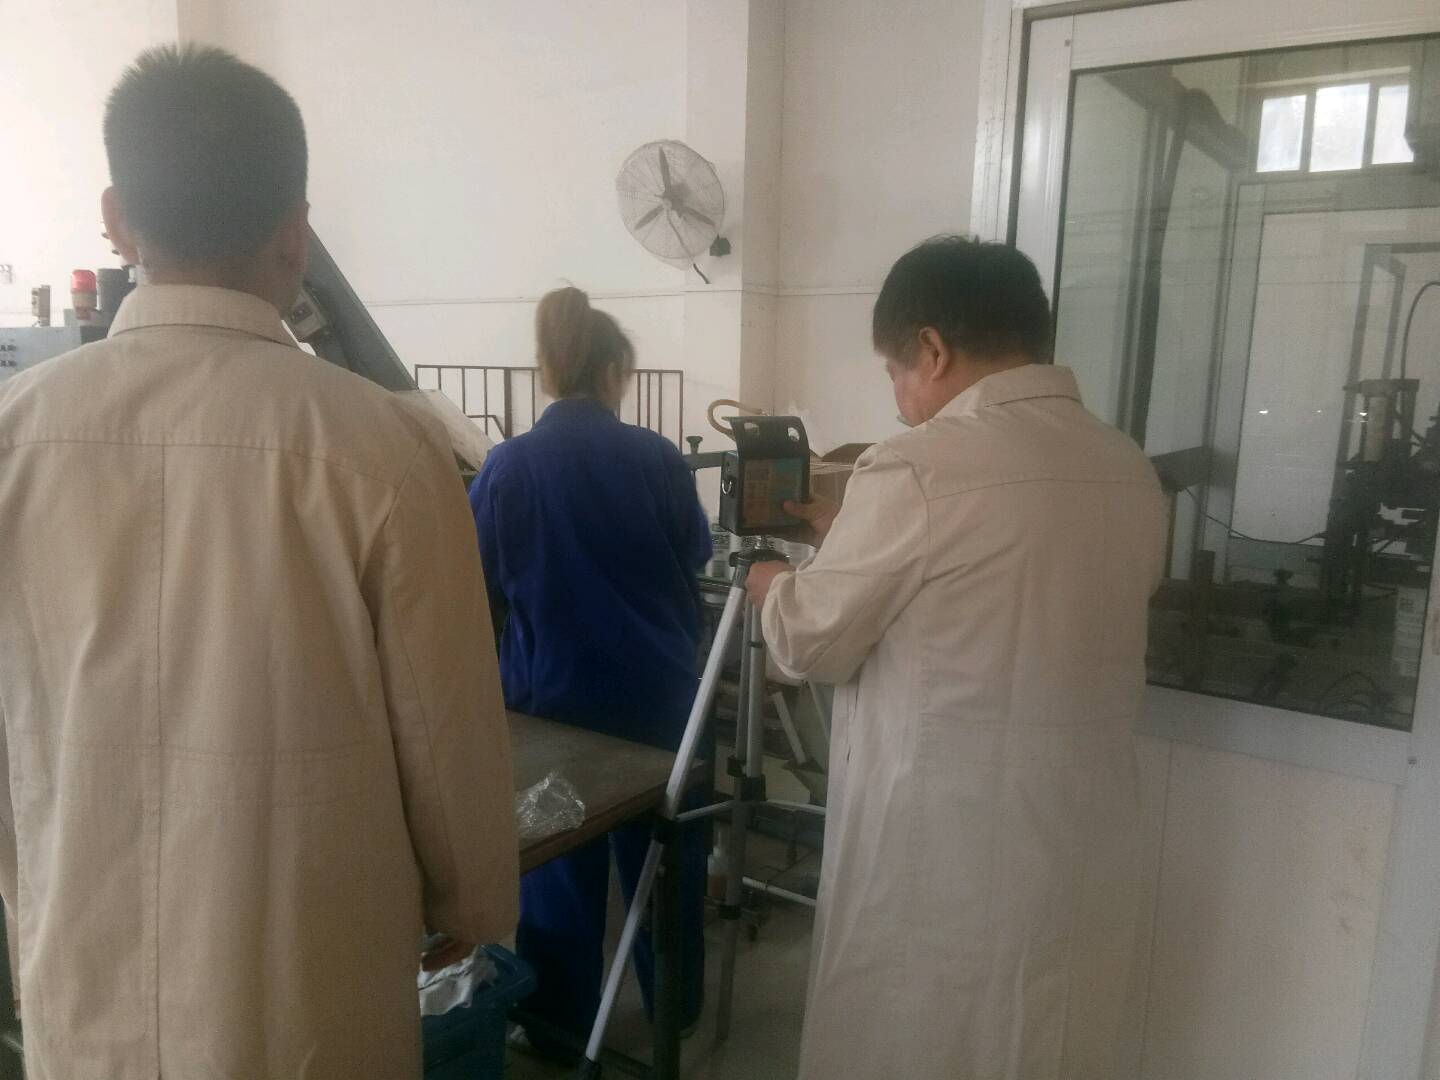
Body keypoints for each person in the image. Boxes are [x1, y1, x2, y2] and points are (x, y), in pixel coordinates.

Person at [0, 45, 518, 1079]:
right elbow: (446, 730)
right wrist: (472, 906)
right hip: (305, 997)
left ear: (116, 220)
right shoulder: (384, 448)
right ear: (295, 233)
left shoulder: (17, 435)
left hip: (86, 980)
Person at [746, 236, 1167, 1080]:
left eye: (895, 371)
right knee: (1048, 1036)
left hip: (945, 855)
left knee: (920, 1043)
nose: (901, 401)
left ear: (932, 349)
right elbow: (988, 585)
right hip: (1080, 840)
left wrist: (772, 582)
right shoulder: (1127, 467)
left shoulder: (918, 466)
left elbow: (808, 643)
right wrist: (854, 541)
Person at [470, 286, 710, 1057]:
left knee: (558, 870)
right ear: (613, 372)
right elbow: (697, 554)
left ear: (548, 370)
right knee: (668, 858)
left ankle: (558, 1025)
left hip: (552, 704)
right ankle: (675, 1010)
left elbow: (477, 582)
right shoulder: (659, 458)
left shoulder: (507, 466)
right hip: (659, 695)